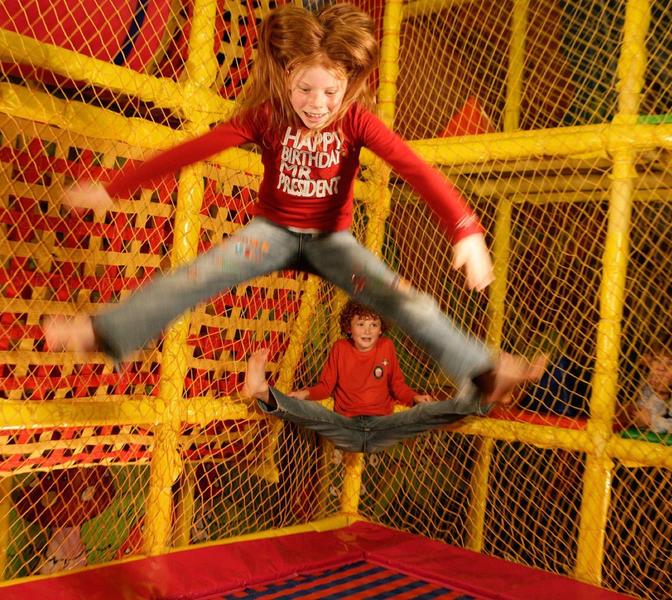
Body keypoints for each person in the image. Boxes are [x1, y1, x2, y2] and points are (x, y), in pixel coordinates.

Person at [43, 3, 543, 408]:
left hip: (332, 243)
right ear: (286, 76)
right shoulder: (268, 116)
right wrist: (113, 188)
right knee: (193, 277)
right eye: (305, 88)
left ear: (349, 82)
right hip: (271, 234)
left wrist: (466, 229)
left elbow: (415, 168)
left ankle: (483, 372)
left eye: (332, 91)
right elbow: (195, 148)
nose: (317, 104)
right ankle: (105, 332)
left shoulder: (357, 123)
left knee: (407, 300)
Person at [244, 301, 540, 453]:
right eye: (362, 325)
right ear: (349, 327)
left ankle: (490, 392)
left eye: (374, 325)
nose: (368, 331)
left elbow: (396, 384)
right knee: (311, 414)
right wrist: (305, 394)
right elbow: (326, 386)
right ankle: (261, 391)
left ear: (381, 328)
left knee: (431, 412)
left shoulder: (387, 347)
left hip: (383, 425)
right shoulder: (339, 349)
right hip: (346, 426)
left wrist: (413, 397)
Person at [634, 344, 672, 434]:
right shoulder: (647, 385)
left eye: (670, 363)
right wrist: (659, 394)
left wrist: (652, 422)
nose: (660, 368)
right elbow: (641, 414)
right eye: (657, 360)